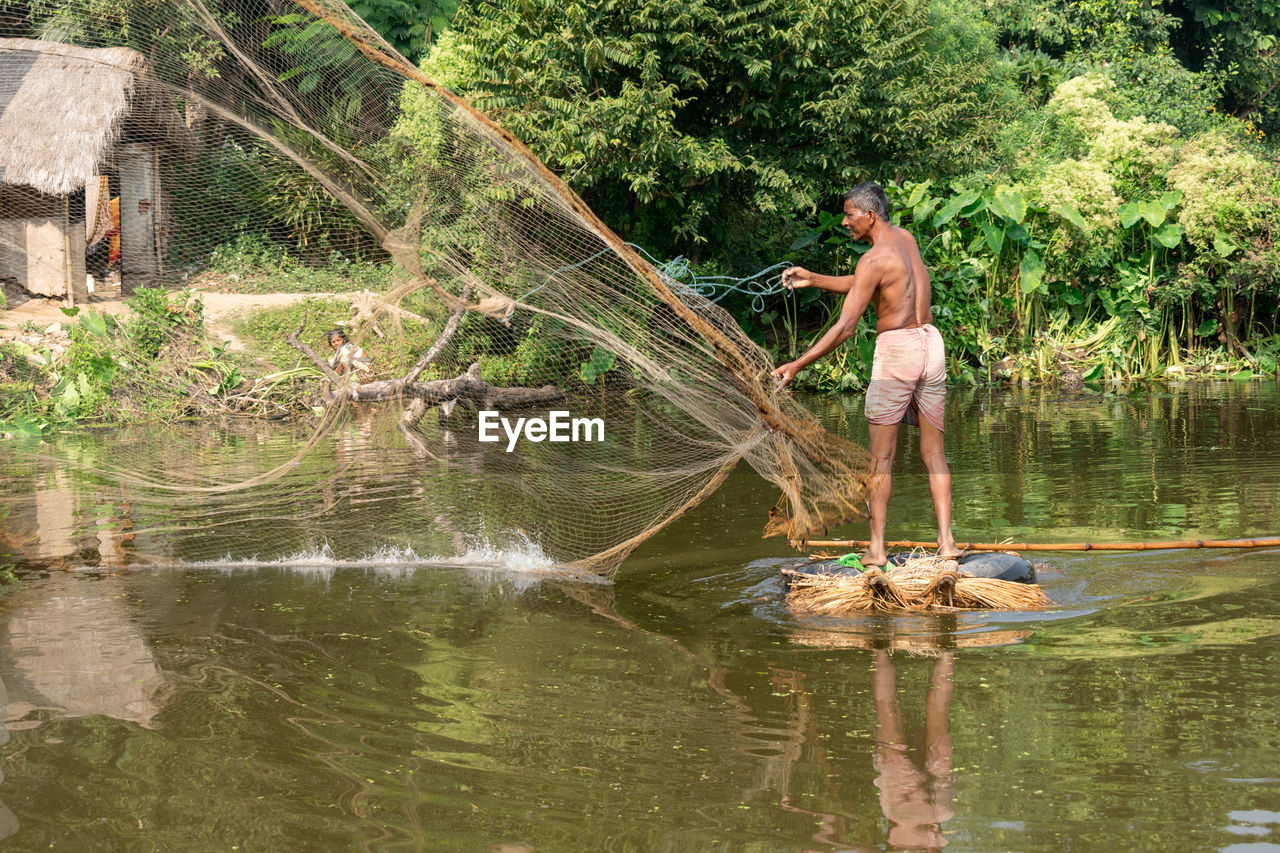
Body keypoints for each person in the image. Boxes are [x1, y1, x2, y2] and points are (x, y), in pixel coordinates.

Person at [771, 182, 958, 566]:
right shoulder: (905, 240)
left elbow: (845, 328)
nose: (845, 222)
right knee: (934, 455)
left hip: (898, 352)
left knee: (880, 461)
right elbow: (872, 285)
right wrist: (815, 279)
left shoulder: (871, 259)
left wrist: (796, 365)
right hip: (931, 345)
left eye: (849, 215)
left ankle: (876, 549)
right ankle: (947, 544)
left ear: (869, 215)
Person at [322, 328, 373, 398]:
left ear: (343, 340)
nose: (336, 343)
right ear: (331, 344)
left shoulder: (346, 349)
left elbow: (340, 365)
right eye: (333, 342)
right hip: (361, 372)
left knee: (343, 360)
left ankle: (349, 383)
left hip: (365, 375)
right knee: (332, 360)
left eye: (338, 340)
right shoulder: (343, 349)